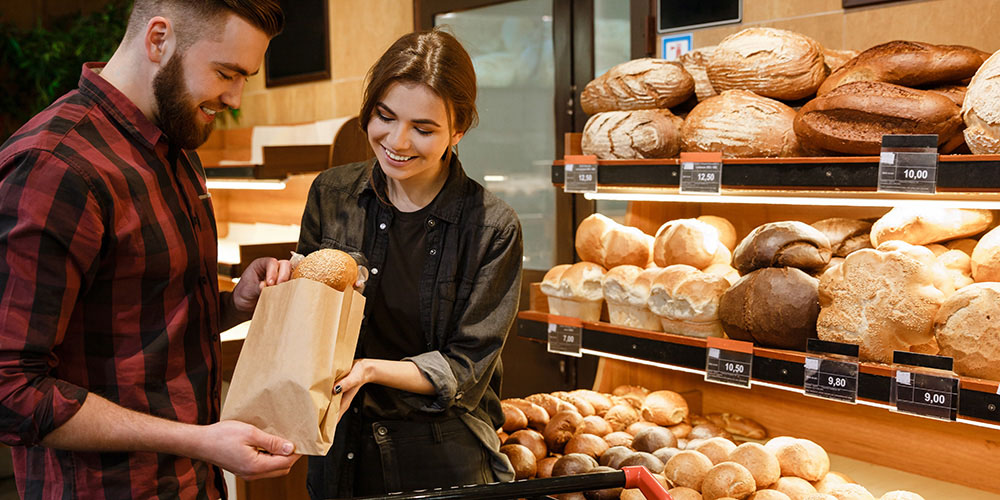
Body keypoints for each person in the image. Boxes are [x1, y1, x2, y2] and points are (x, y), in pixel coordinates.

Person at [0, 1, 300, 498]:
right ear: (159, 38)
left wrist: (234, 304)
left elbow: (147, 325)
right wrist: (200, 441)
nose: (234, 96)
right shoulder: (54, 166)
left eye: (245, 76)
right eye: (226, 72)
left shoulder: (178, 149)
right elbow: (11, 390)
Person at [297, 29, 523, 498]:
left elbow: (466, 367)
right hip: (339, 452)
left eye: (423, 129)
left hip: (442, 459)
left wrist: (369, 369)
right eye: (384, 116)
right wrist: (284, 288)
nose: (397, 141)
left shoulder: (492, 228)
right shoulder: (332, 194)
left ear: (457, 131)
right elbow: (306, 324)